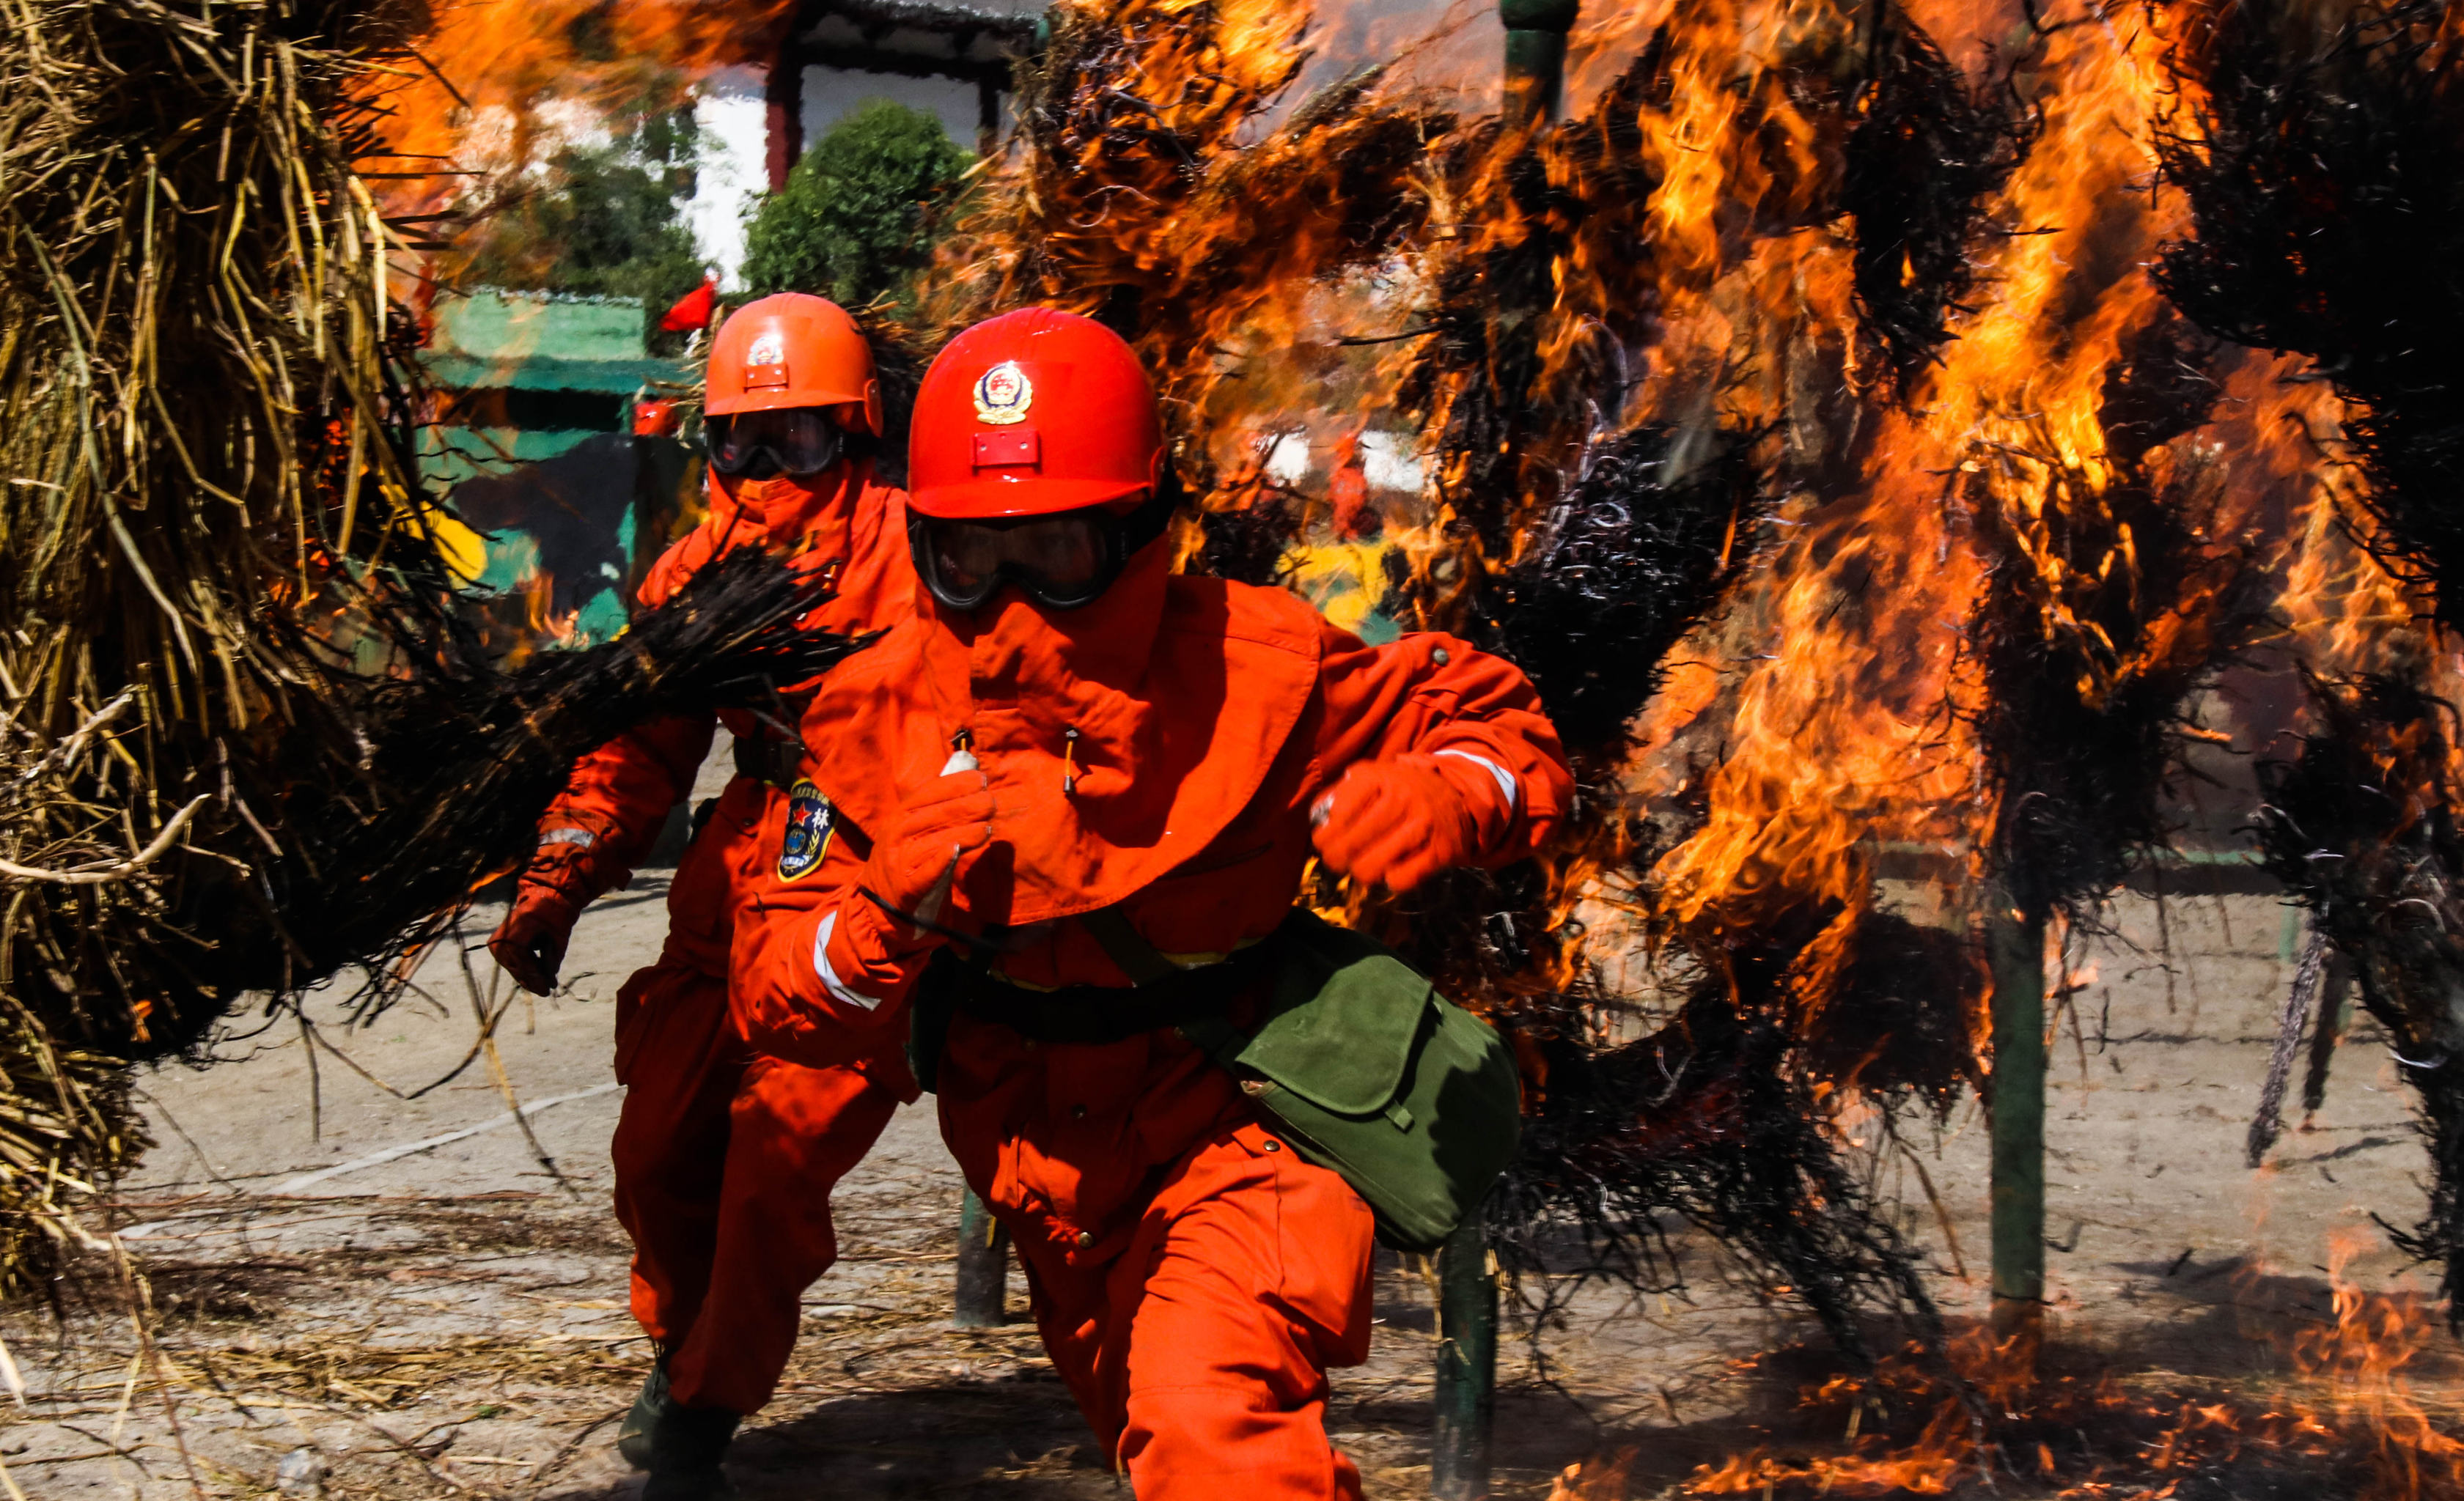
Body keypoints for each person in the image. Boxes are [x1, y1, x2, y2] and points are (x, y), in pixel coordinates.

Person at [731, 307, 1571, 1499]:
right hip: (1035, 1158)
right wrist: (882, 918)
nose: (1011, 607)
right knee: (1154, 1436)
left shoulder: (1253, 664)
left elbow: (1487, 725)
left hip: (1235, 1117)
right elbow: (782, 1006)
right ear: (921, 545)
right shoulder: (868, 718)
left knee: (1208, 1434)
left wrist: (1448, 795)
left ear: (1141, 538)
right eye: (970, 561)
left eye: (1058, 553)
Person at [485, 293, 913, 1500]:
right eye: (742, 441)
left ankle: (704, 1412)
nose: (768, 468)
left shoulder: (922, 553)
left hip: (872, 871)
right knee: (655, 1149)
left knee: (772, 1169)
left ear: (859, 432)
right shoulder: (694, 572)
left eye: (801, 439)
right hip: (740, 865)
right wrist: (559, 878)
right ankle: (681, 1346)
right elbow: (639, 750)